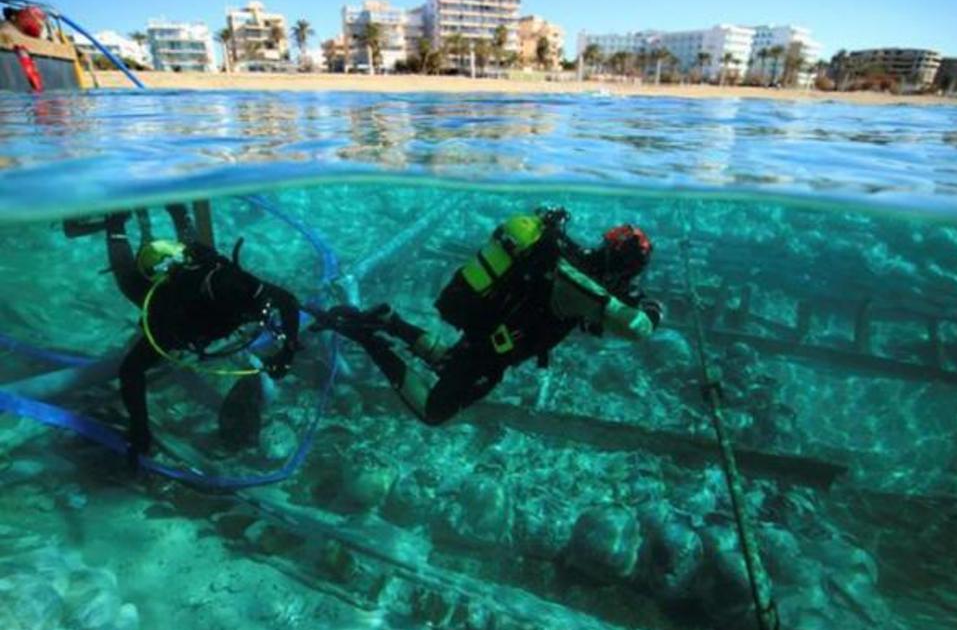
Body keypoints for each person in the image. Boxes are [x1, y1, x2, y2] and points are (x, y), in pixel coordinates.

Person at [310, 206, 663, 425]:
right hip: (491, 352)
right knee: (434, 412)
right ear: (626, 269)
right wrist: (638, 305)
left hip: (488, 333)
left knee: (450, 361)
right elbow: (638, 327)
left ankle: (391, 321)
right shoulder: (581, 285)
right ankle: (369, 338)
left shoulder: (568, 259)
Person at [65, 202, 301, 468]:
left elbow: (287, 301)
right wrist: (140, 429)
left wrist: (288, 350)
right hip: (175, 304)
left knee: (199, 254)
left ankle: (173, 213)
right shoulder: (176, 322)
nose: (258, 314)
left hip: (201, 274)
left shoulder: (241, 286)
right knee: (130, 281)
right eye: (253, 313)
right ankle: (117, 224)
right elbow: (131, 371)